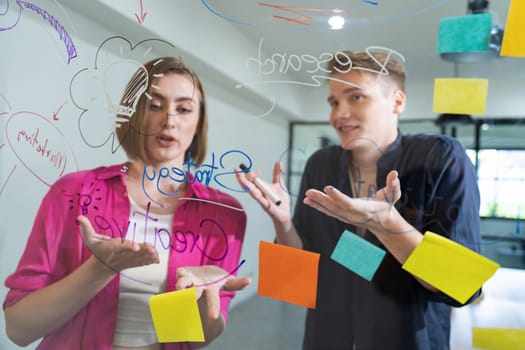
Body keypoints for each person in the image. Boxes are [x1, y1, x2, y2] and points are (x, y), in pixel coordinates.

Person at [236, 50, 481, 350]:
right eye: (334, 102)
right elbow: (299, 280)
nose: (339, 114)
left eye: (356, 97)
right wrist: (283, 222)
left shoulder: (440, 158)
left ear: (397, 101)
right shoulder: (321, 165)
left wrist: (386, 224)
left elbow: (461, 287)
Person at [4, 57, 250, 350]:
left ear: (198, 124)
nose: (169, 119)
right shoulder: (73, 192)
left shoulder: (224, 213)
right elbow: (19, 329)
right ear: (134, 115)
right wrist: (101, 267)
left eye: (183, 109)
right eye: (154, 105)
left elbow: (196, 339)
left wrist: (207, 298)